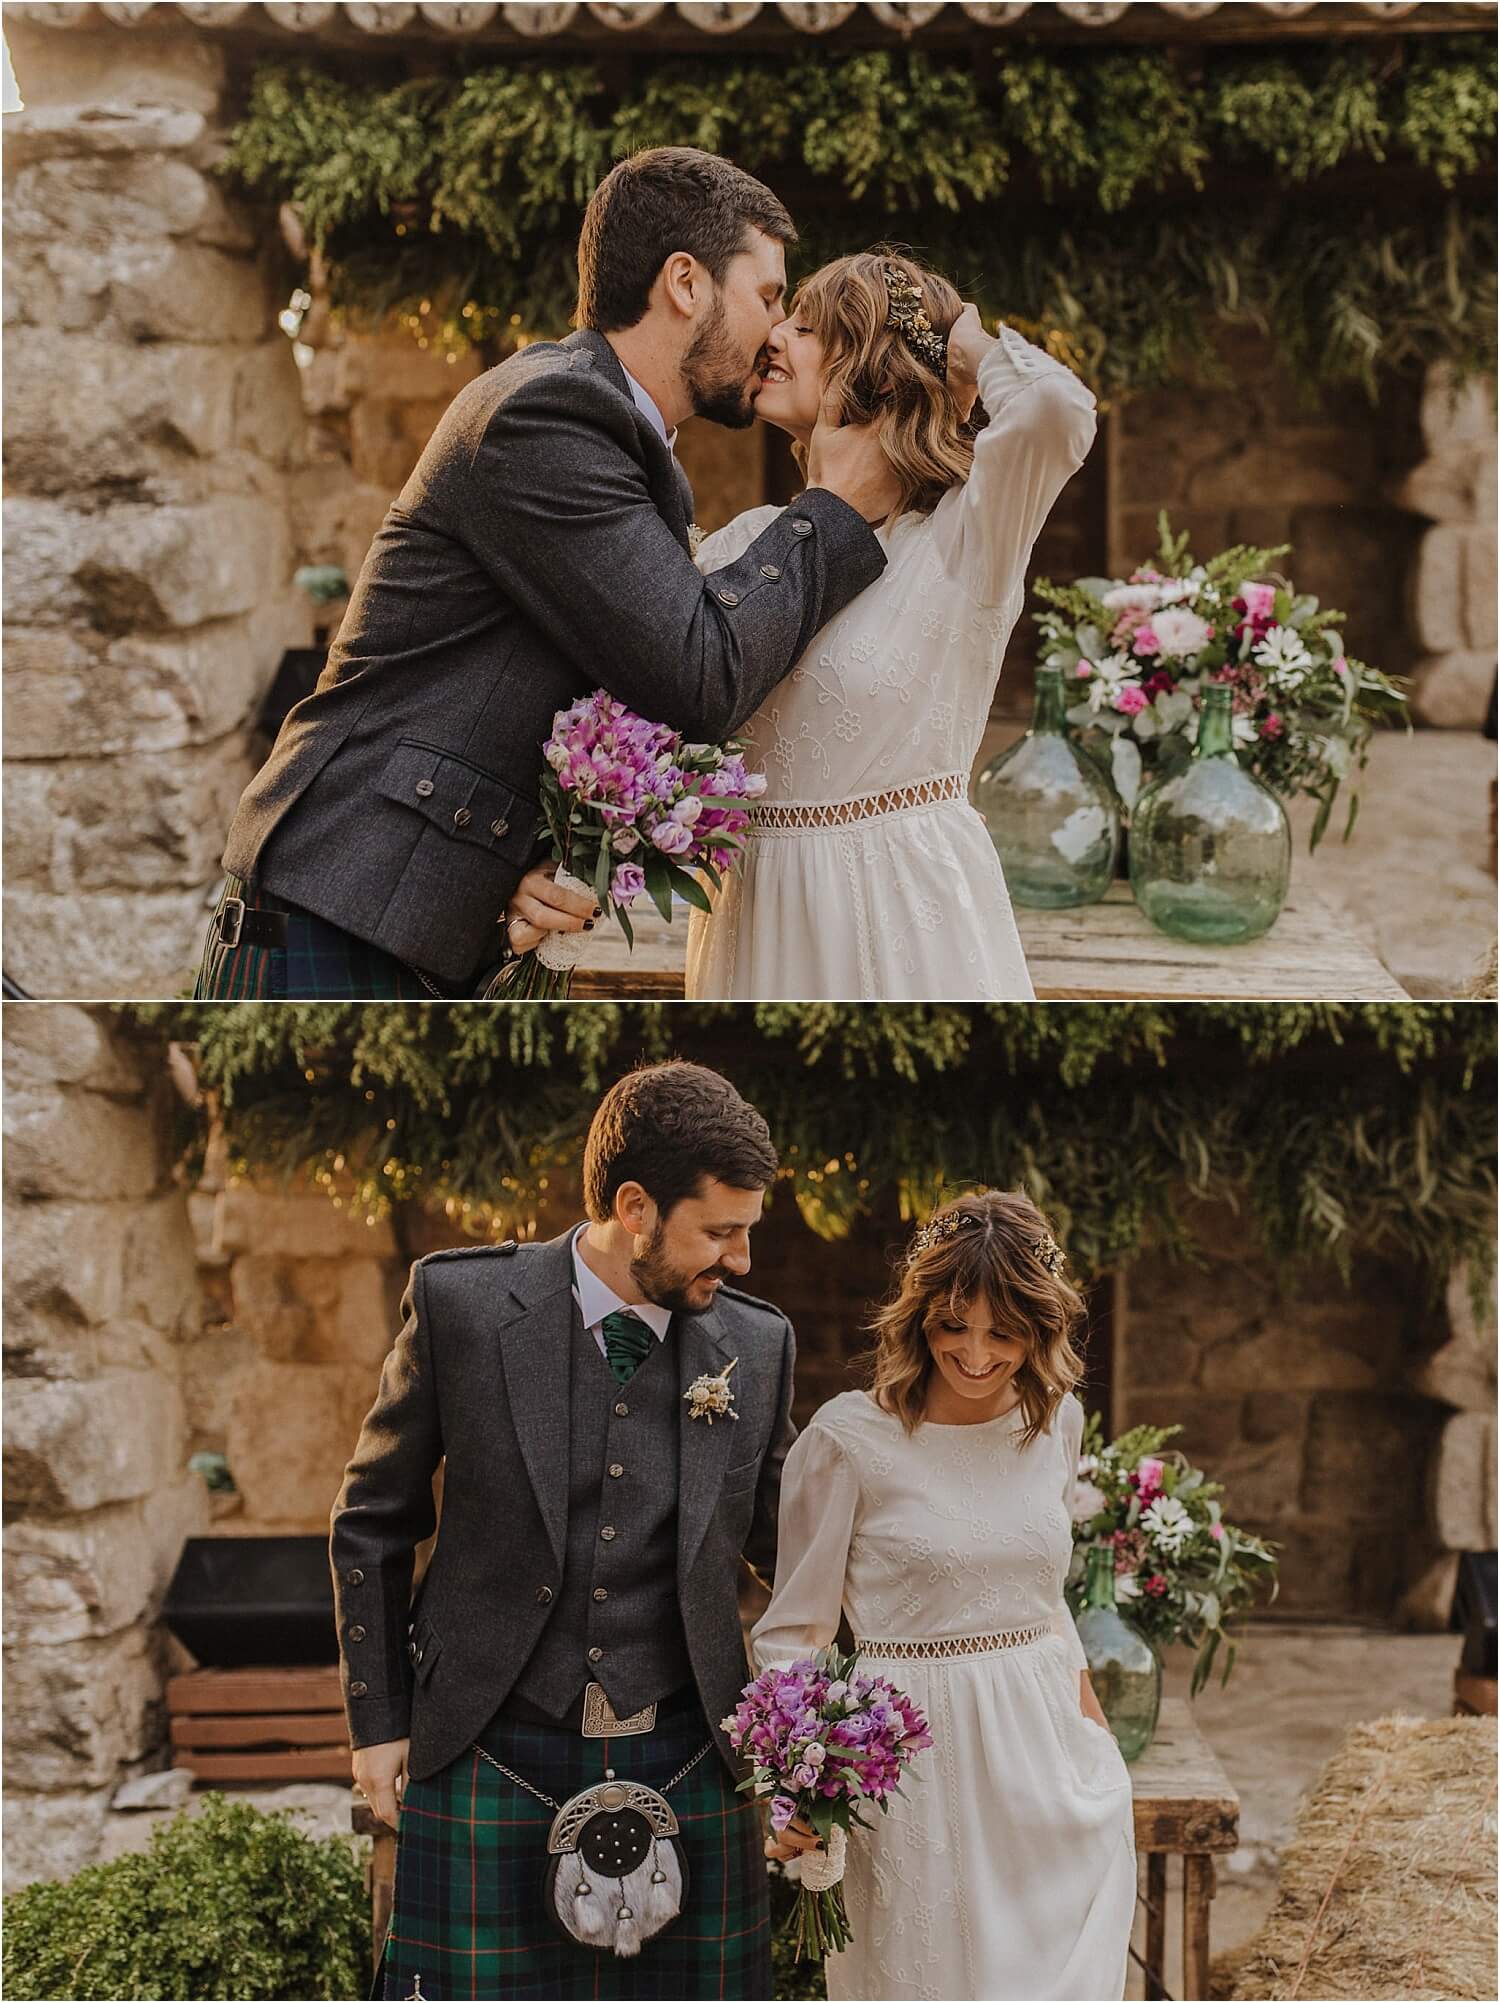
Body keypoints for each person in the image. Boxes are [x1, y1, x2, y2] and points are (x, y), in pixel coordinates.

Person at [195, 150, 895, 999]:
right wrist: (832, 508)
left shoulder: (608, 433)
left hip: (391, 926)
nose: (777, 332)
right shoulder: (549, 416)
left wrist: (512, 862)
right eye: (769, 296)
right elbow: (700, 673)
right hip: (333, 923)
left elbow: (528, 687)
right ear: (685, 282)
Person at [331, 1061, 799, 2000]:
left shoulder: (755, 1344)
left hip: (693, 1747)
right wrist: (377, 1722)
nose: (740, 1260)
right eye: (720, 1231)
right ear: (635, 1206)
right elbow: (372, 1520)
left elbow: (797, 1554)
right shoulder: (464, 1305)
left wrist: (815, 1751)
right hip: (490, 1742)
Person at [681, 251, 1098, 1000]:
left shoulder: (964, 540)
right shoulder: (742, 543)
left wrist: (968, 348)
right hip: (752, 912)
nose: (773, 336)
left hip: (904, 910)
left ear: (878, 367)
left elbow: (1057, 411)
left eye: (807, 328)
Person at [752, 1190, 1136, 2002]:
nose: (974, 1351)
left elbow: (1046, 1602)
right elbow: (795, 1633)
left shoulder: (1056, 1421)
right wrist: (796, 1790)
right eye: (953, 1323)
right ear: (918, 1313)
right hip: (914, 1775)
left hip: (1050, 1765)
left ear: (1042, 1328)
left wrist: (1099, 1752)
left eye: (1004, 1331)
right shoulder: (848, 1439)